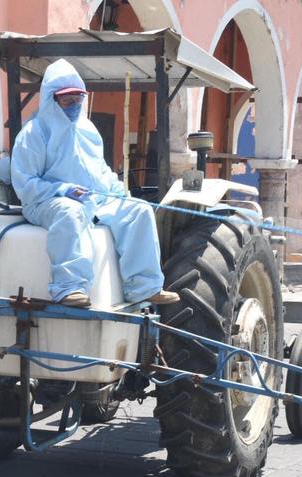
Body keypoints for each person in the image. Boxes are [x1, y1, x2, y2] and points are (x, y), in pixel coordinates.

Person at [10, 59, 180, 308]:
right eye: (67, 100)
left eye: (78, 99)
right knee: (71, 212)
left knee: (139, 210)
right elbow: (25, 184)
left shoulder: (88, 129)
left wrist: (118, 193)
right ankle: (69, 288)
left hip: (93, 200)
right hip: (45, 202)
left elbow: (101, 171)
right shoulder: (34, 133)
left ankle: (144, 287)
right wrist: (62, 189)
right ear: (51, 99)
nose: (74, 105)